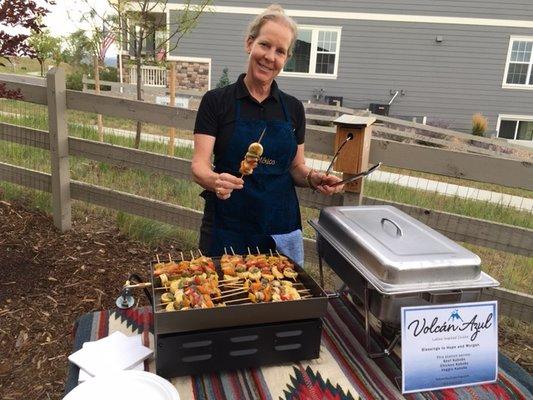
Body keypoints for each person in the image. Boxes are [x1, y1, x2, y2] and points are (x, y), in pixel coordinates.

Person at [191, 4, 343, 265]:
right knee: (221, 296)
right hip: (228, 224)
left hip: (279, 227)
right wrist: (214, 181)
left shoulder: (293, 108)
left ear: (286, 58)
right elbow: (199, 166)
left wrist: (313, 177)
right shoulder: (216, 101)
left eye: (280, 51)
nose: (270, 57)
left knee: (279, 298)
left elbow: (296, 167)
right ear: (250, 44)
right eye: (264, 45)